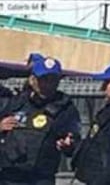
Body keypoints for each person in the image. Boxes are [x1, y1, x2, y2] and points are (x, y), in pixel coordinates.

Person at [0, 56, 80, 185]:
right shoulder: (17, 102)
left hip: (41, 178)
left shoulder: (65, 108)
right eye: (44, 80)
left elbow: (74, 141)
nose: (48, 85)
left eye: (53, 80)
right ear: (32, 80)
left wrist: (68, 145)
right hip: (10, 177)